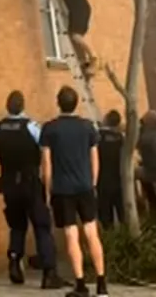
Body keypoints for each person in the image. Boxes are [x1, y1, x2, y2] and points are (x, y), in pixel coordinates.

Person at [0, 90, 66, 289]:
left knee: (16, 225)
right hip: (31, 183)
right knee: (41, 226)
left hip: (9, 185)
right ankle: (49, 272)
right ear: (23, 106)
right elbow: (47, 144)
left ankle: (15, 261)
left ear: (7, 107)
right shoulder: (32, 127)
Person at [41, 86, 107, 297]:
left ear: (58, 102)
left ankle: (80, 283)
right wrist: (93, 183)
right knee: (91, 232)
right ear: (76, 102)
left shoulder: (49, 129)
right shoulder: (88, 127)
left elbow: (46, 164)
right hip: (85, 186)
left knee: (71, 234)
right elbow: (95, 158)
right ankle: (101, 283)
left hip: (63, 189)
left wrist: (48, 190)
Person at [95, 109, 125, 228]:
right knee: (122, 213)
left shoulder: (98, 137)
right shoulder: (120, 138)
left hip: (103, 180)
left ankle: (110, 239)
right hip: (119, 179)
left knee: (105, 215)